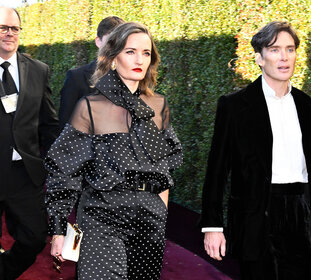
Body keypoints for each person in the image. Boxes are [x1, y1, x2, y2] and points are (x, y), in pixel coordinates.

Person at [46, 22, 183, 279]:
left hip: (149, 221)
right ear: (113, 57)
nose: (139, 59)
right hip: (102, 217)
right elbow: (64, 171)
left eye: (146, 52)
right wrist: (58, 229)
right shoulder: (91, 107)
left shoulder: (158, 105)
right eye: (130, 51)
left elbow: (164, 168)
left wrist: (161, 214)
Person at [200, 21, 311, 280]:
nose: (284, 57)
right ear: (259, 58)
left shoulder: (308, 107)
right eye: (274, 50)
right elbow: (217, 170)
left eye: (290, 49)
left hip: (300, 212)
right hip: (254, 214)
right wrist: (212, 225)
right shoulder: (235, 106)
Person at [0, 6, 59, 280]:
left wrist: (62, 160)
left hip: (25, 174)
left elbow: (48, 122)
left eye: (14, 28)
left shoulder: (38, 70)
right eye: (3, 28)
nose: (9, 34)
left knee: (34, 239)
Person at [58, 16, 124, 130]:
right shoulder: (76, 78)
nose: (116, 47)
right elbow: (65, 125)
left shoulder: (132, 77)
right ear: (98, 41)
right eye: (111, 41)